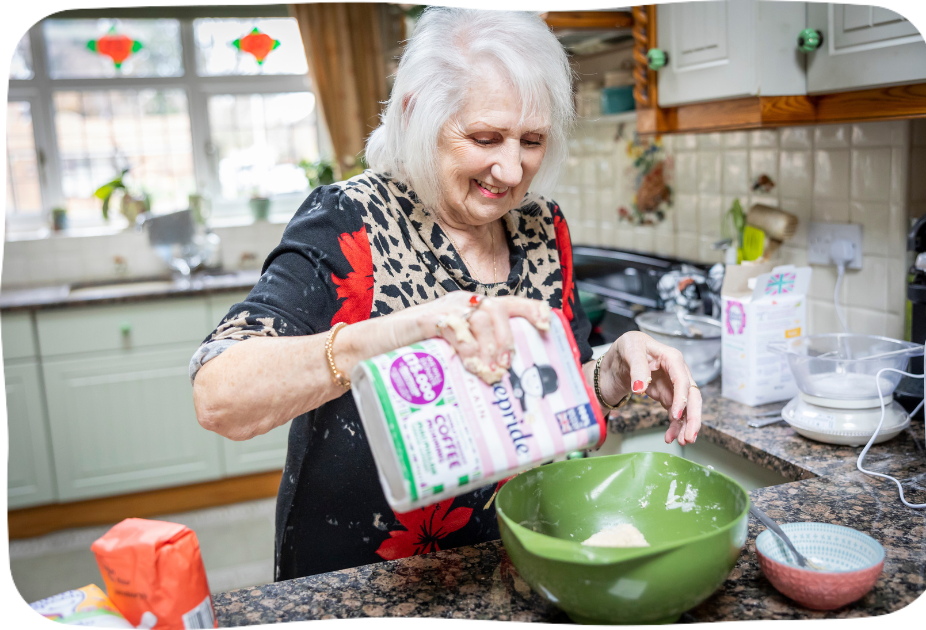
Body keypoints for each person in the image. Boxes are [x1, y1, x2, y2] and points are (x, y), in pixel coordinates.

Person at [191, 7, 702, 581]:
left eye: (531, 141)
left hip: (509, 563)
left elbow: (549, 394)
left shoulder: (539, 226)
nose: (510, 170)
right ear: (415, 114)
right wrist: (394, 334)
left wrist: (611, 371)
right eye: (484, 137)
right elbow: (219, 395)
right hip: (364, 585)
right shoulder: (350, 219)